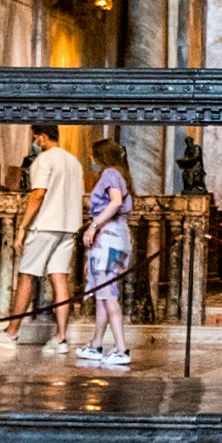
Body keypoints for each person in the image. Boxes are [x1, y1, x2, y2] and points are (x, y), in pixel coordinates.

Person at [0, 124, 84, 353]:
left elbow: (38, 194)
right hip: (69, 225)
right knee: (59, 278)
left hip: (46, 225)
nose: (34, 142)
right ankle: (61, 337)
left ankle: (11, 332)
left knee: (27, 275)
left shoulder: (44, 160)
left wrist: (23, 226)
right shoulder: (74, 162)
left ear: (42, 138)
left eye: (35, 138)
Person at [76, 139, 134, 366]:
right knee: (102, 294)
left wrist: (94, 225)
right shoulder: (121, 174)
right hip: (117, 238)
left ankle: (121, 348)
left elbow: (115, 202)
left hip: (108, 239)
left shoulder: (110, 173)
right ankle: (96, 344)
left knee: (108, 295)